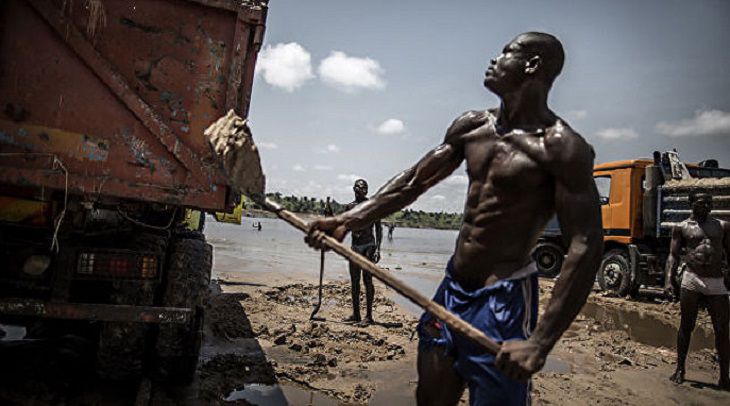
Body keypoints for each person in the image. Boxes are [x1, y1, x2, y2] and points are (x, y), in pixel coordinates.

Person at [306, 32, 602, 405]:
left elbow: (586, 244)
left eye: (506, 52)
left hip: (503, 300)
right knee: (430, 396)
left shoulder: (561, 148)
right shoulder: (473, 126)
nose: (493, 59)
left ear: (532, 66)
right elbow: (414, 181)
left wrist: (540, 342)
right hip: (451, 291)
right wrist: (348, 220)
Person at [665, 192, 730, 389]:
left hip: (716, 280)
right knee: (686, 325)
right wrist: (668, 280)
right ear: (691, 203)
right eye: (702, 204)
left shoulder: (723, 226)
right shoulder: (682, 227)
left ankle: (724, 376)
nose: (707, 207)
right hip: (692, 278)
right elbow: (673, 256)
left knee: (722, 329)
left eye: (710, 204)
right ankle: (680, 369)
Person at [342, 179, 383, 325]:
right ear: (354, 189)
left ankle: (369, 317)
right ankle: (356, 314)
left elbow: (378, 228)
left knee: (367, 280)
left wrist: (378, 249)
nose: (363, 189)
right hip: (355, 247)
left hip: (368, 246)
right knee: (354, 282)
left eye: (365, 187)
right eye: (360, 186)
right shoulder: (349, 207)